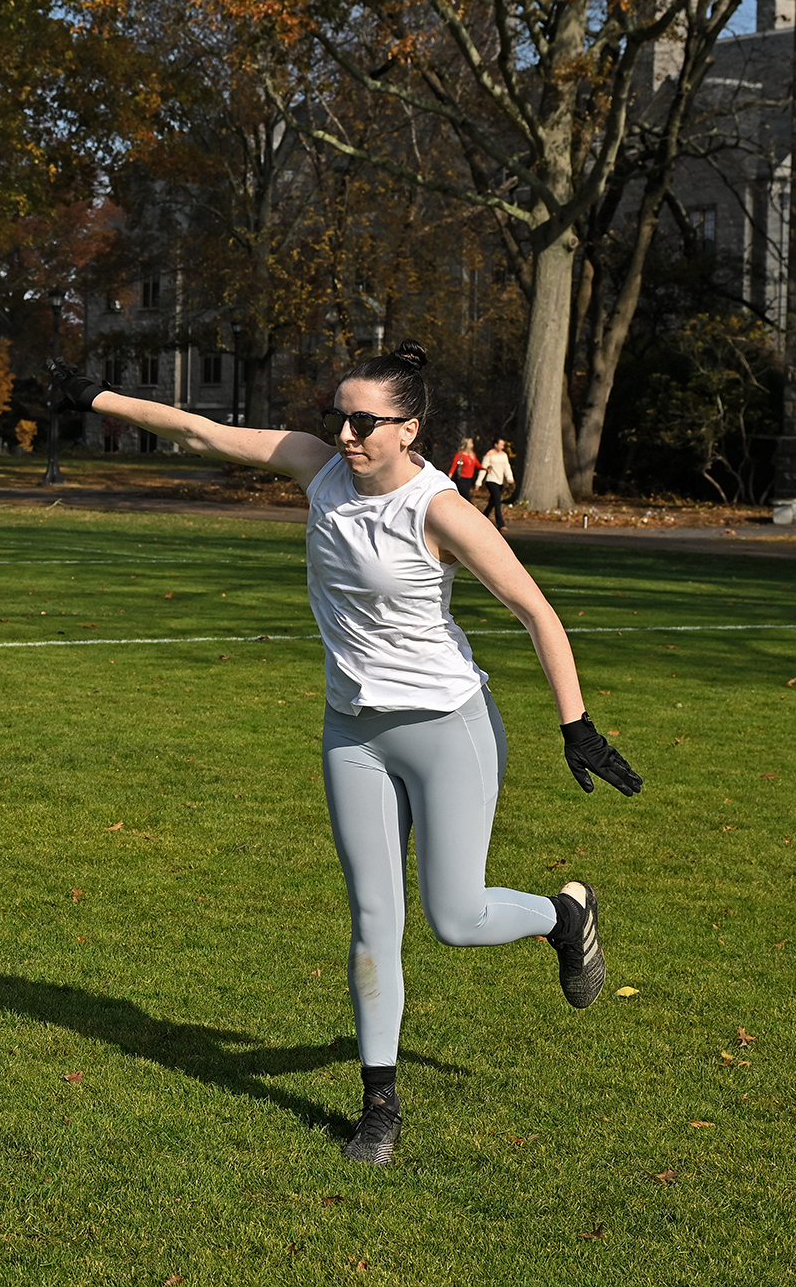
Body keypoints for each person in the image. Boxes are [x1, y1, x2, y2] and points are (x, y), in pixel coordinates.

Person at [47, 341, 640, 1167]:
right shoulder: (316, 469)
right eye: (340, 416)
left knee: (456, 919)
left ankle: (564, 915)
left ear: (409, 429)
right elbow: (196, 429)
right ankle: (380, 1103)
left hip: (445, 727)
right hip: (351, 731)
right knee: (372, 921)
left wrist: (575, 724)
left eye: (365, 421)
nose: (347, 433)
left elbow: (535, 610)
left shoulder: (440, 509)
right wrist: (96, 397)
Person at [476, 438, 516, 529]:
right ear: (496, 445)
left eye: (503, 445)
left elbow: (507, 467)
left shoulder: (504, 455)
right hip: (491, 480)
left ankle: (483, 518)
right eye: (501, 444)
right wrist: (479, 482)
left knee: (492, 502)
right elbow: (483, 469)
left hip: (500, 481)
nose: (502, 446)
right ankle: (501, 524)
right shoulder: (489, 454)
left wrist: (510, 477)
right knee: (498, 500)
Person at [447, 437, 479, 502]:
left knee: (464, 497)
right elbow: (453, 467)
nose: (473, 445)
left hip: (469, 479)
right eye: (471, 443)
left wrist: (486, 469)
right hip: (461, 479)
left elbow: (477, 464)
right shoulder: (459, 455)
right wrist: (449, 477)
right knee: (466, 497)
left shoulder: (472, 455)